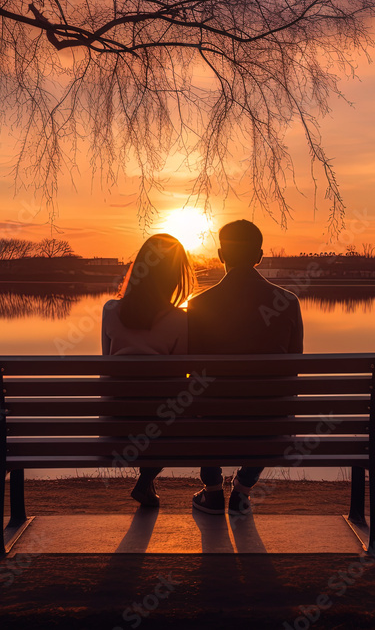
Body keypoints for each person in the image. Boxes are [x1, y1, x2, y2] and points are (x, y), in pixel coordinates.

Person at [187, 219, 303, 515]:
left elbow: (192, 373)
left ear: (220, 254)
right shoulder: (288, 303)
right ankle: (243, 489)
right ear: (259, 256)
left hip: (213, 418)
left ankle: (212, 490)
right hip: (268, 420)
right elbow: (294, 370)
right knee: (275, 400)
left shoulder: (199, 304)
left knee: (200, 398)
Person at [101, 233, 196, 507]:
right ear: (175, 275)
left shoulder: (110, 310)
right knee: (177, 412)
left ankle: (146, 484)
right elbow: (180, 383)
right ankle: (145, 481)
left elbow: (105, 369)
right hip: (162, 425)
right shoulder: (180, 319)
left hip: (116, 423)